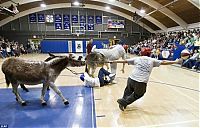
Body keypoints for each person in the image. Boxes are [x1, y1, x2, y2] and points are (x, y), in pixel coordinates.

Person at [110, 56, 182, 111]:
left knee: (128, 91)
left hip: (131, 78)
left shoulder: (137, 58)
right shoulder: (152, 60)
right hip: (141, 81)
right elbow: (164, 62)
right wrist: (175, 62)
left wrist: (114, 61)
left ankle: (123, 102)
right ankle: (124, 102)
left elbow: (124, 61)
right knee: (139, 94)